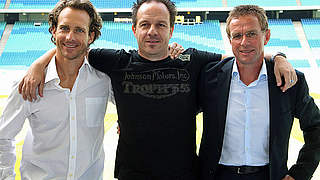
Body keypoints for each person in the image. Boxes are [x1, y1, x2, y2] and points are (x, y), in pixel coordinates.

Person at [18, 1, 297, 179]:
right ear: (134, 29)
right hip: (132, 174)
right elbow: (72, 46)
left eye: (160, 24)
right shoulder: (115, 61)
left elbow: (242, 55)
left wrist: (278, 57)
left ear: (172, 28)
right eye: (145, 24)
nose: (153, 31)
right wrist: (38, 65)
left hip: (185, 174)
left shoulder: (192, 59)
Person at [198, 5, 320, 180]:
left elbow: (315, 127)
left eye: (252, 34)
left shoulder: (290, 81)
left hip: (269, 175)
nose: (244, 42)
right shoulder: (209, 77)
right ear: (229, 39)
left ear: (266, 36)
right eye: (237, 36)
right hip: (218, 175)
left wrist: (299, 174)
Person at [0, 0, 114, 179]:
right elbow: (3, 137)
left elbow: (139, 103)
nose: (70, 37)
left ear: (91, 36)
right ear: (54, 30)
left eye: (79, 30)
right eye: (64, 28)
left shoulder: (104, 80)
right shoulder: (28, 84)